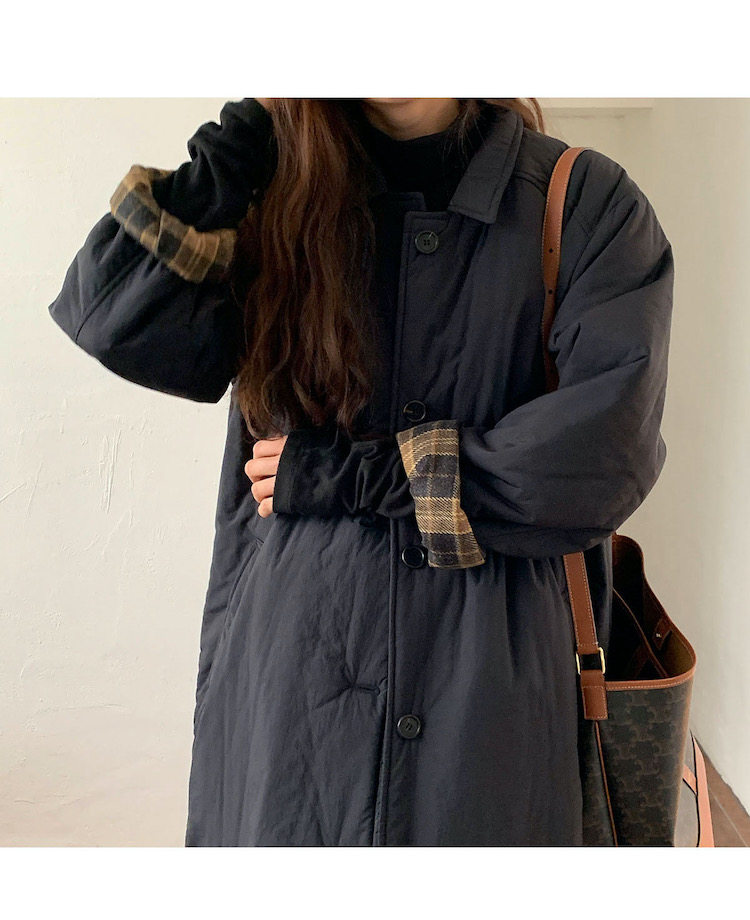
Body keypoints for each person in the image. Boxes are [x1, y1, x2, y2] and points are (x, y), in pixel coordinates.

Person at [48, 98, 674, 846]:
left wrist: (364, 476)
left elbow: (602, 455)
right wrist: (232, 156)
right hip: (293, 679)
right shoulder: (272, 195)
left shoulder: (582, 202)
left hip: (490, 682)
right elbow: (116, 322)